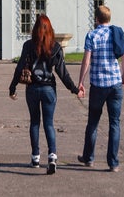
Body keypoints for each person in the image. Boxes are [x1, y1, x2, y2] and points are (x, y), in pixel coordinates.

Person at [9, 14, 82, 175]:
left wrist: (12, 87)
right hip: (49, 89)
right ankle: (52, 157)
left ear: (35, 29)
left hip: (33, 89)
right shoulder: (55, 47)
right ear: (50, 30)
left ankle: (35, 158)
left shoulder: (28, 45)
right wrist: (75, 89)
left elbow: (19, 67)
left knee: (34, 122)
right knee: (49, 124)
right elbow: (63, 73)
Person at [77, 5, 124, 172]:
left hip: (98, 85)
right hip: (115, 84)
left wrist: (81, 81)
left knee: (93, 122)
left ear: (97, 19)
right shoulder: (117, 34)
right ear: (109, 18)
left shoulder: (92, 35)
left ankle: (89, 158)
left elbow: (86, 61)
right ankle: (113, 163)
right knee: (114, 123)